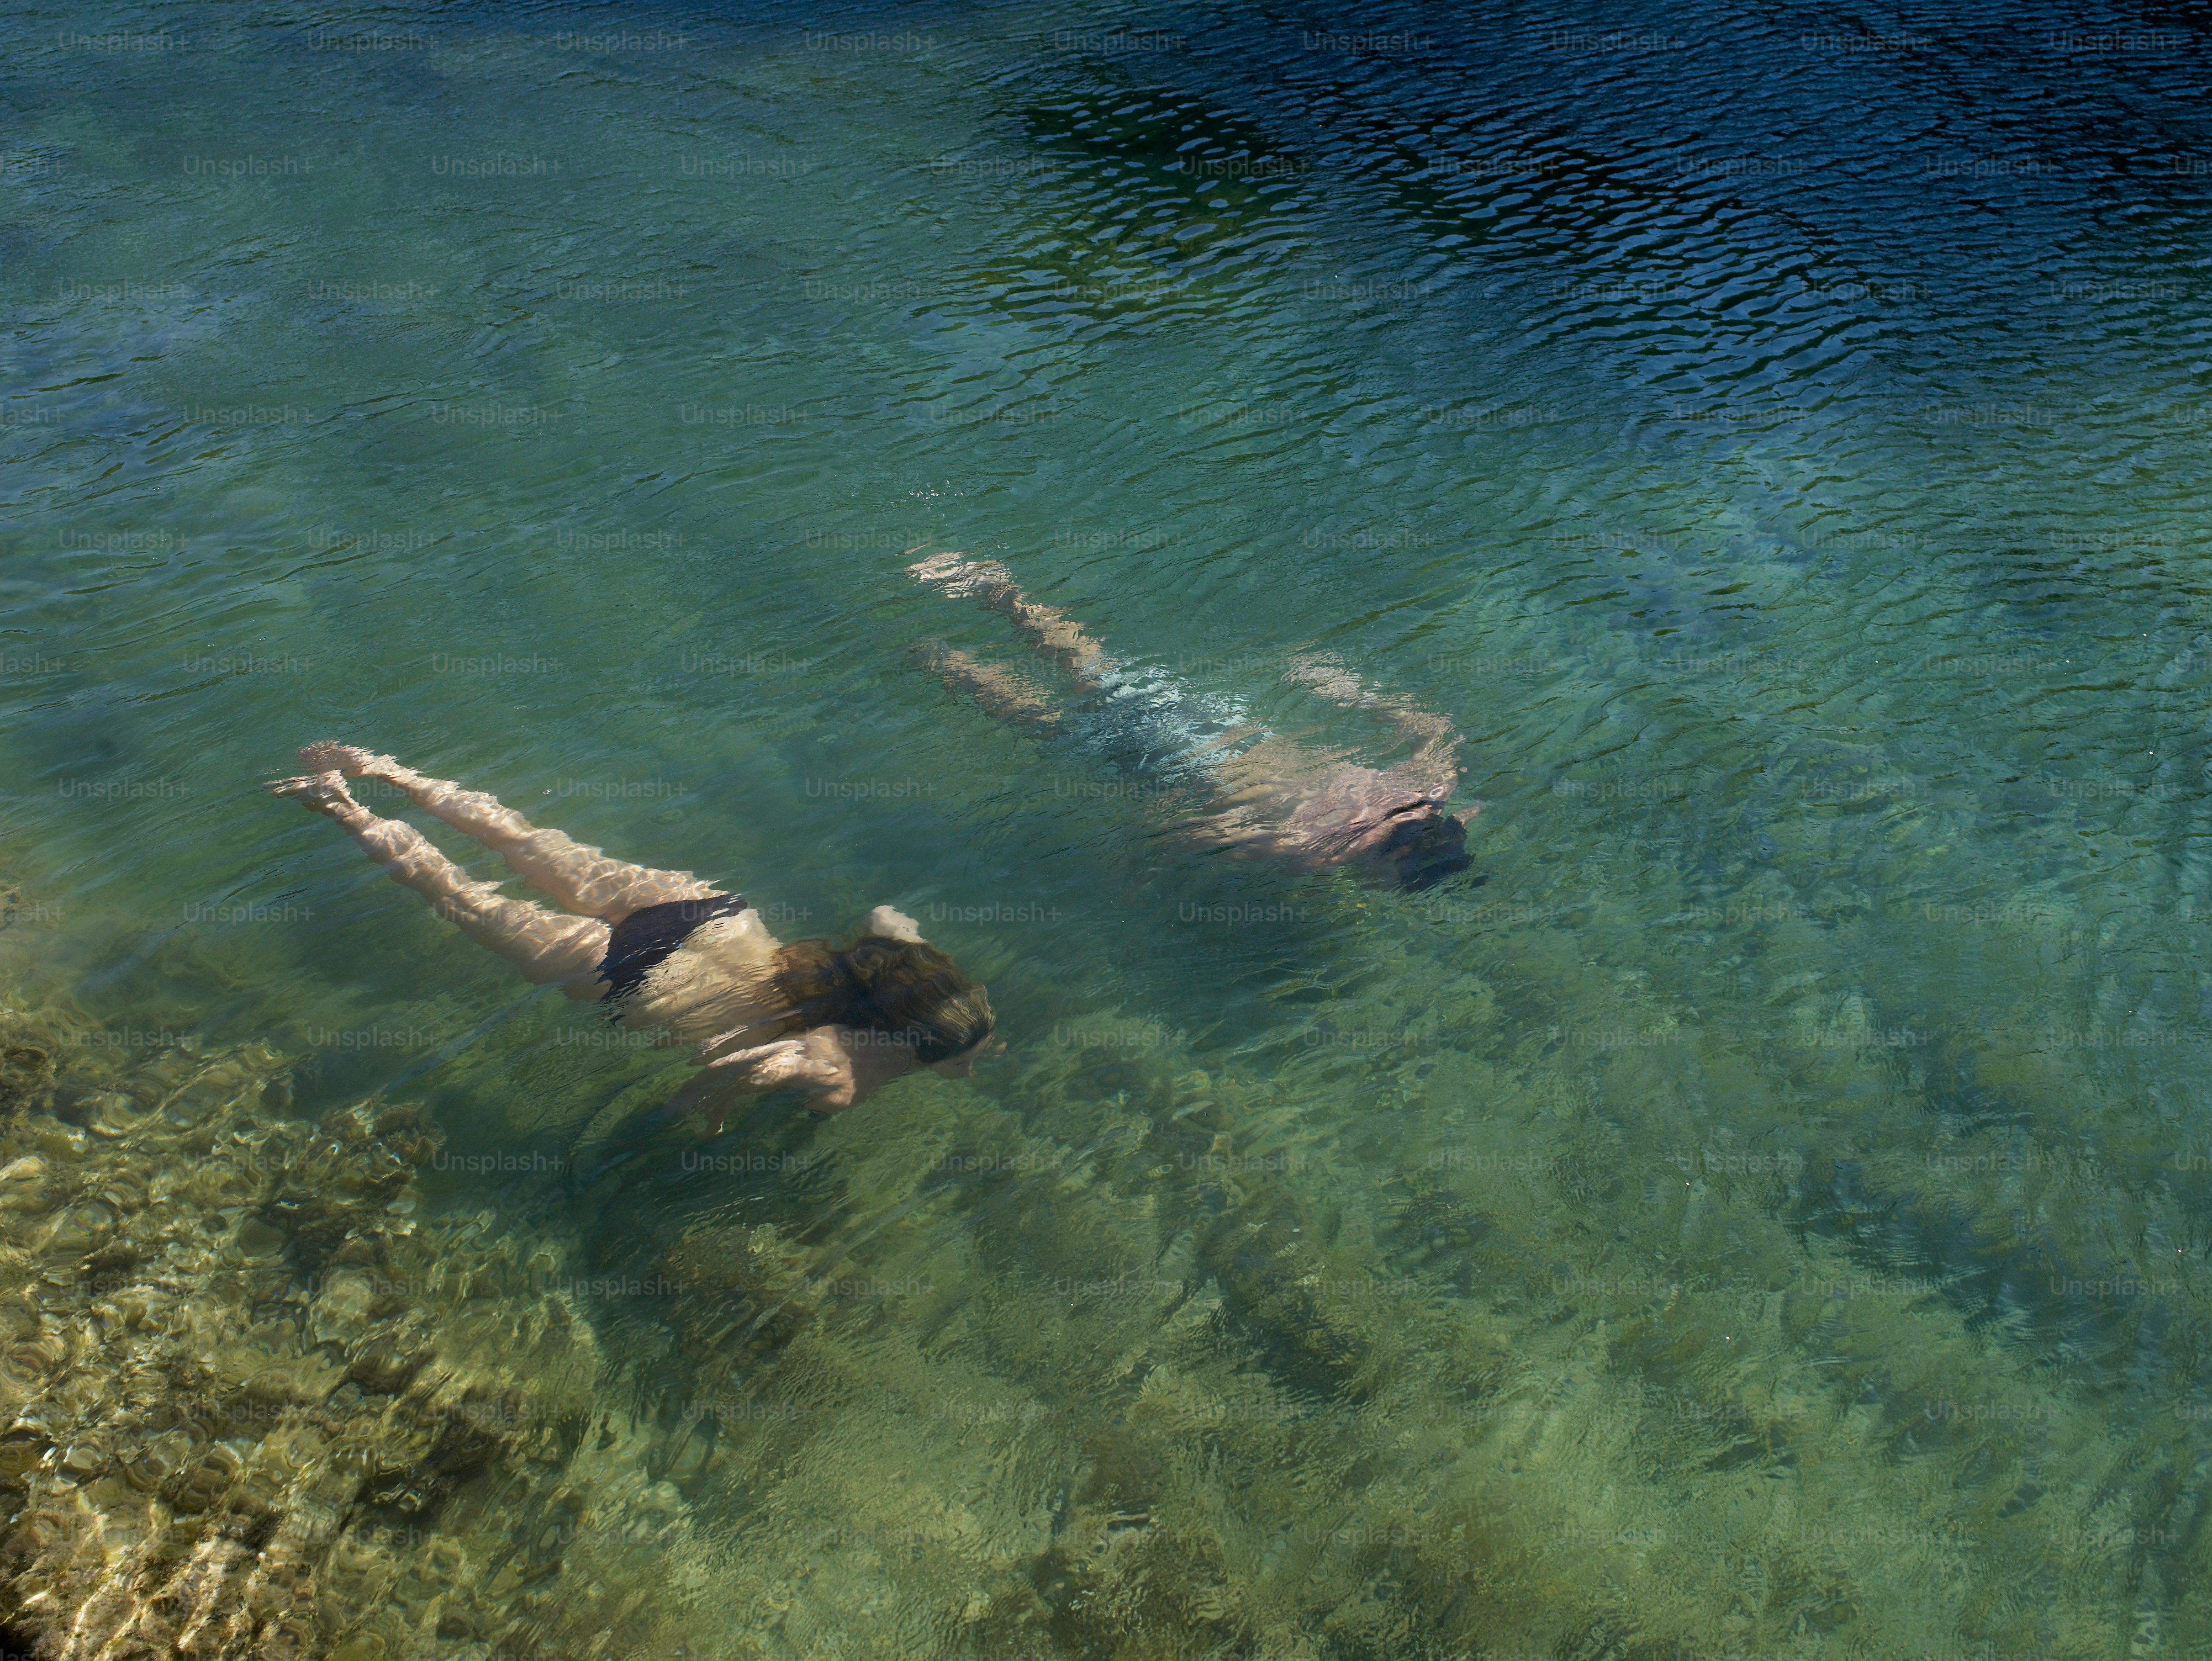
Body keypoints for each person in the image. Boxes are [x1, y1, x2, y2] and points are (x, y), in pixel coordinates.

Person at [265, 743, 993, 1129]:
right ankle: (343, 808)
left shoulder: (886, 971)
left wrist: (940, 989)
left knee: (523, 840)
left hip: (708, 916)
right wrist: (698, 1113)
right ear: (913, 1048)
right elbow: (757, 1067)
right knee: (457, 896)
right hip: (632, 976)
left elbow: (885, 918)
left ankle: (387, 769)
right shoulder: (840, 1077)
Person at [908, 554, 1475, 888]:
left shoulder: (1428, 788)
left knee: (1094, 669)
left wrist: (1344, 689)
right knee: (1050, 722)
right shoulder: (1316, 852)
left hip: (1226, 725)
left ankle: (995, 591)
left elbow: (1434, 727)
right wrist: (1134, 867)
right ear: (1399, 861)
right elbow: (1188, 833)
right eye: (1390, 884)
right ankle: (936, 655)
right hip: (1173, 759)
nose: (1379, 888)